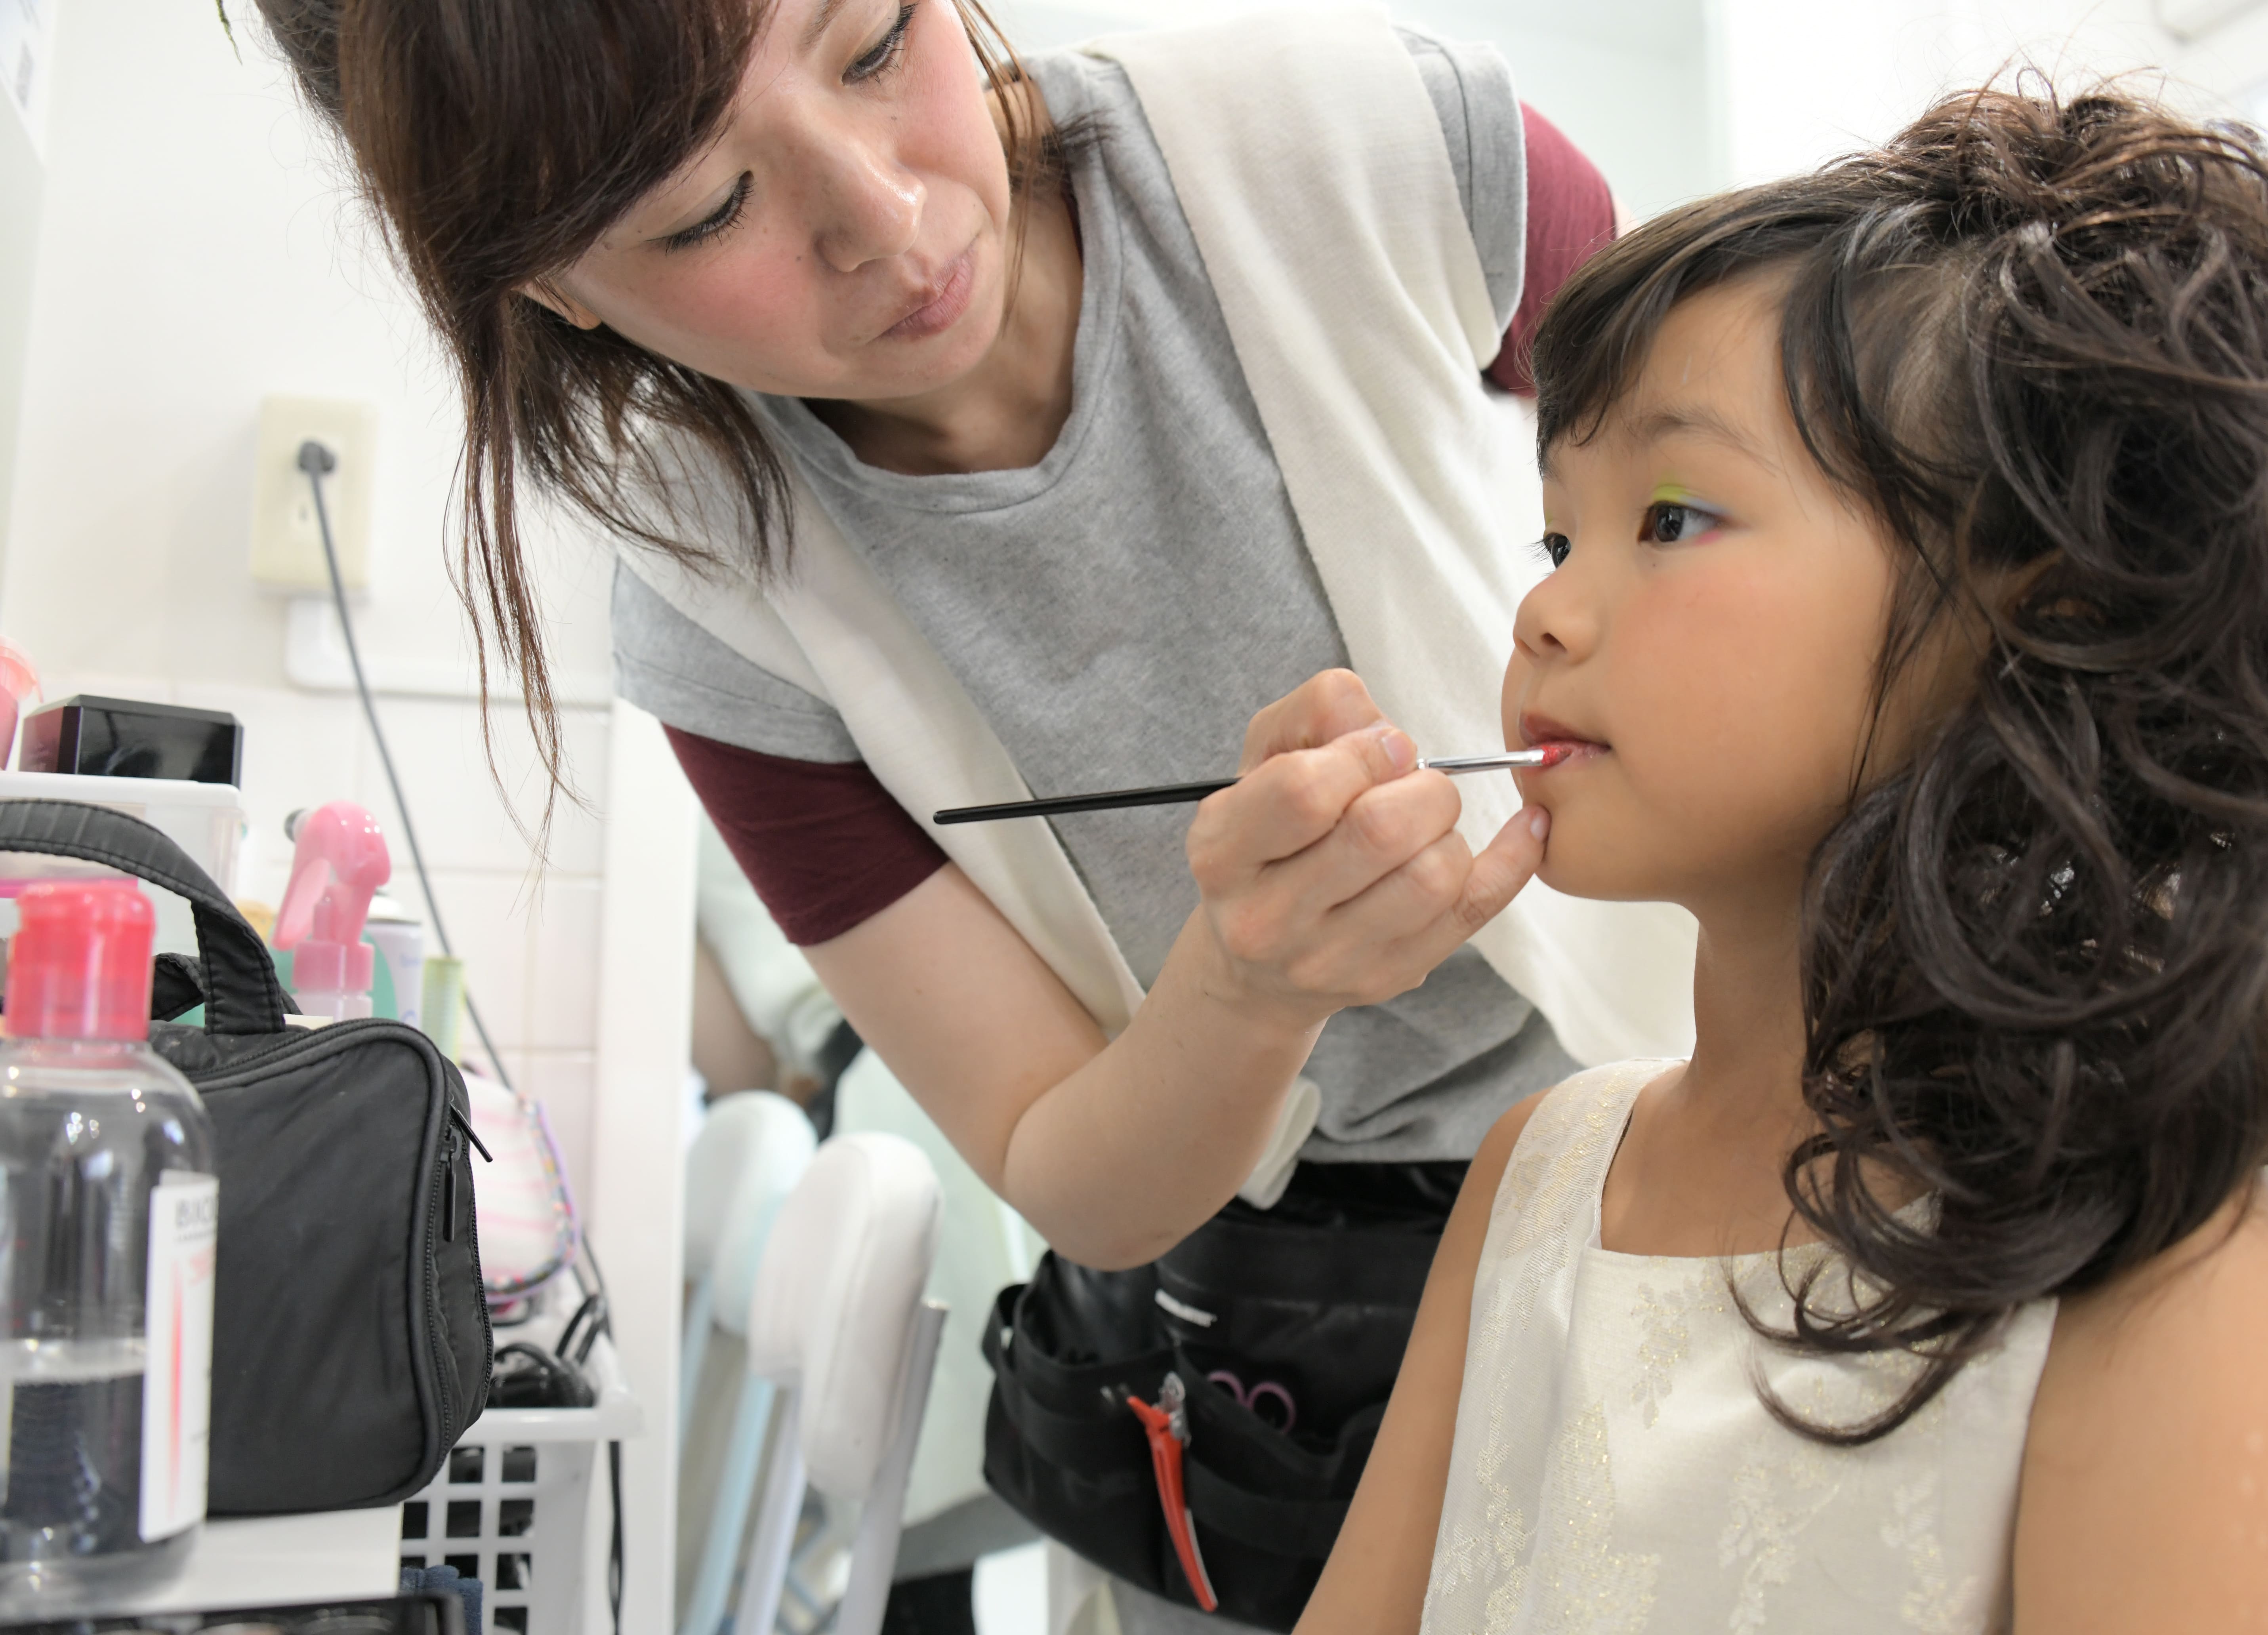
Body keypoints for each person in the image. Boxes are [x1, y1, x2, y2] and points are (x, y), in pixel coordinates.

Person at [248, 0, 1692, 1628]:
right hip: (1266, 1362)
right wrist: (1247, 989)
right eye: (706, 210)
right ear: (550, 286)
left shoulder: (1382, 145)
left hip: (1700, 1174)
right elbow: (1063, 1157)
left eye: (873, 47)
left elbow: (1777, 553)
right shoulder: (731, 601)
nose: (891, 218)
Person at [1297, 84, 2268, 1632]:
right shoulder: (1535, 1176)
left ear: (2037, 614)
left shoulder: (2160, 1267)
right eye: (1558, 538)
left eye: (1675, 516)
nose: (1545, 616)